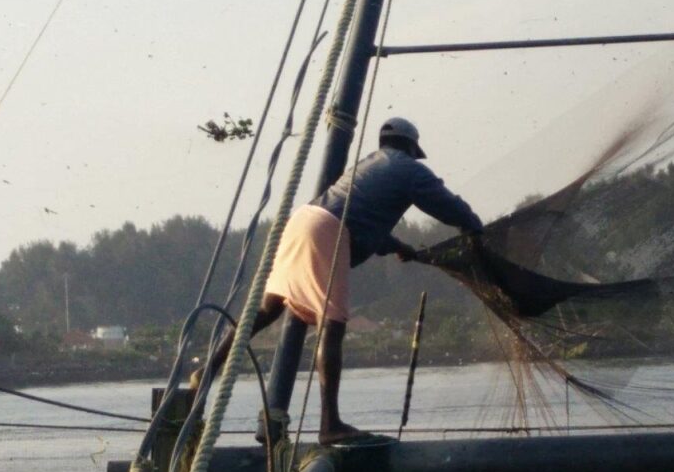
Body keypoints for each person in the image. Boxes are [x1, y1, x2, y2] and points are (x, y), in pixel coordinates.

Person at [193, 116, 483, 443]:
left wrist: (398, 246)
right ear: (410, 147)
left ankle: (206, 373)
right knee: (333, 324)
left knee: (266, 309)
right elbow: (447, 205)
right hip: (327, 231)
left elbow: (360, 218)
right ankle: (330, 425)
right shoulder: (409, 169)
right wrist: (475, 227)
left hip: (301, 222)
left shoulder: (368, 165)